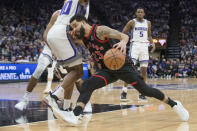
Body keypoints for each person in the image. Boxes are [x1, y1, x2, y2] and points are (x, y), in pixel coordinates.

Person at [45, 14, 189, 125]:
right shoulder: (84, 39)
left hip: (122, 66)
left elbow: (124, 35)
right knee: (87, 84)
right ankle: (75, 115)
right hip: (107, 70)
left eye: (75, 26)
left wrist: (123, 42)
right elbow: (65, 38)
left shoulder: (100, 30)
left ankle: (174, 104)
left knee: (145, 90)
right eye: (72, 28)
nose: (74, 30)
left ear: (83, 22)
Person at [44, 0, 92, 112]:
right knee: (79, 72)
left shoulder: (68, 3)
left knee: (71, 75)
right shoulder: (80, 6)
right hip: (62, 33)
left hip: (54, 34)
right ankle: (53, 97)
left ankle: (66, 108)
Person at [120, 7, 156, 101]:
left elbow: (149, 35)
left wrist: (152, 43)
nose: (140, 13)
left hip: (144, 46)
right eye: (138, 12)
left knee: (144, 71)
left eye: (141, 12)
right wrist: (123, 42)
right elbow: (123, 33)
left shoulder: (148, 23)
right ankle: (124, 91)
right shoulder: (132, 22)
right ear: (136, 13)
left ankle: (142, 93)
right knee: (129, 69)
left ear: (144, 14)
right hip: (135, 45)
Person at [15, 43, 57, 111]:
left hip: (62, 52)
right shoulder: (52, 33)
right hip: (49, 52)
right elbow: (45, 35)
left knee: (74, 75)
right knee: (38, 71)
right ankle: (25, 98)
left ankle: (68, 105)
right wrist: (52, 50)